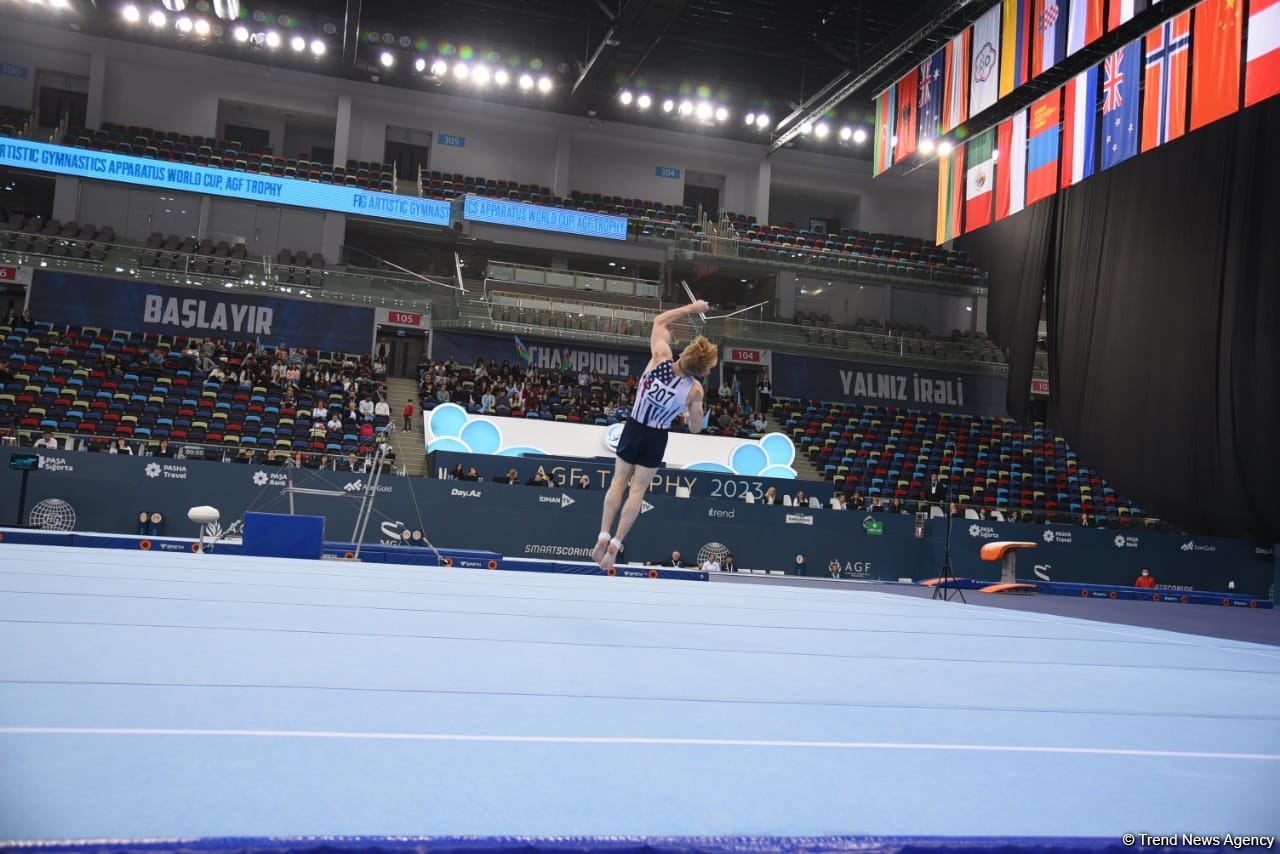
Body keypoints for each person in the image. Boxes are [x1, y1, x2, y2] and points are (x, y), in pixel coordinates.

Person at [592, 301, 717, 571]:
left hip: (634, 426)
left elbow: (660, 321)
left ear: (685, 352)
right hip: (657, 436)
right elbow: (696, 429)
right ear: (702, 370)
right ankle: (615, 546)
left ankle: (603, 535)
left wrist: (692, 308)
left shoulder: (660, 357)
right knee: (638, 490)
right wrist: (691, 412)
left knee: (618, 482)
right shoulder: (694, 391)